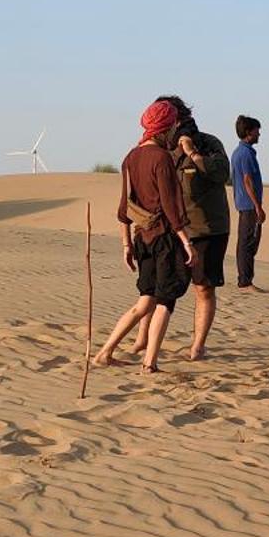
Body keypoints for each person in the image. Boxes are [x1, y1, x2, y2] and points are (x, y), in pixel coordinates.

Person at [95, 100, 199, 374]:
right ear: (166, 126)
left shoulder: (130, 157)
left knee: (145, 301)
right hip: (165, 239)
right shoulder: (161, 158)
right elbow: (171, 207)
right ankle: (149, 363)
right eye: (174, 124)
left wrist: (126, 245)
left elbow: (124, 208)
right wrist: (187, 243)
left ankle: (105, 352)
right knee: (165, 301)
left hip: (142, 239)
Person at [130, 96, 230, 361]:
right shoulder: (156, 149)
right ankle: (142, 340)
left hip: (206, 229)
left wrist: (192, 153)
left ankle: (197, 346)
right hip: (166, 230)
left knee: (203, 287)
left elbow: (221, 173)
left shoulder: (208, 143)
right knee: (154, 290)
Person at [230, 114, 264, 290]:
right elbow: (247, 180)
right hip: (248, 205)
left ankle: (245, 279)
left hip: (246, 204)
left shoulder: (241, 152)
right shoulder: (245, 154)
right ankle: (245, 281)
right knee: (247, 242)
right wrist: (257, 206)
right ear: (249, 132)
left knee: (248, 241)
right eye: (257, 131)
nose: (259, 134)